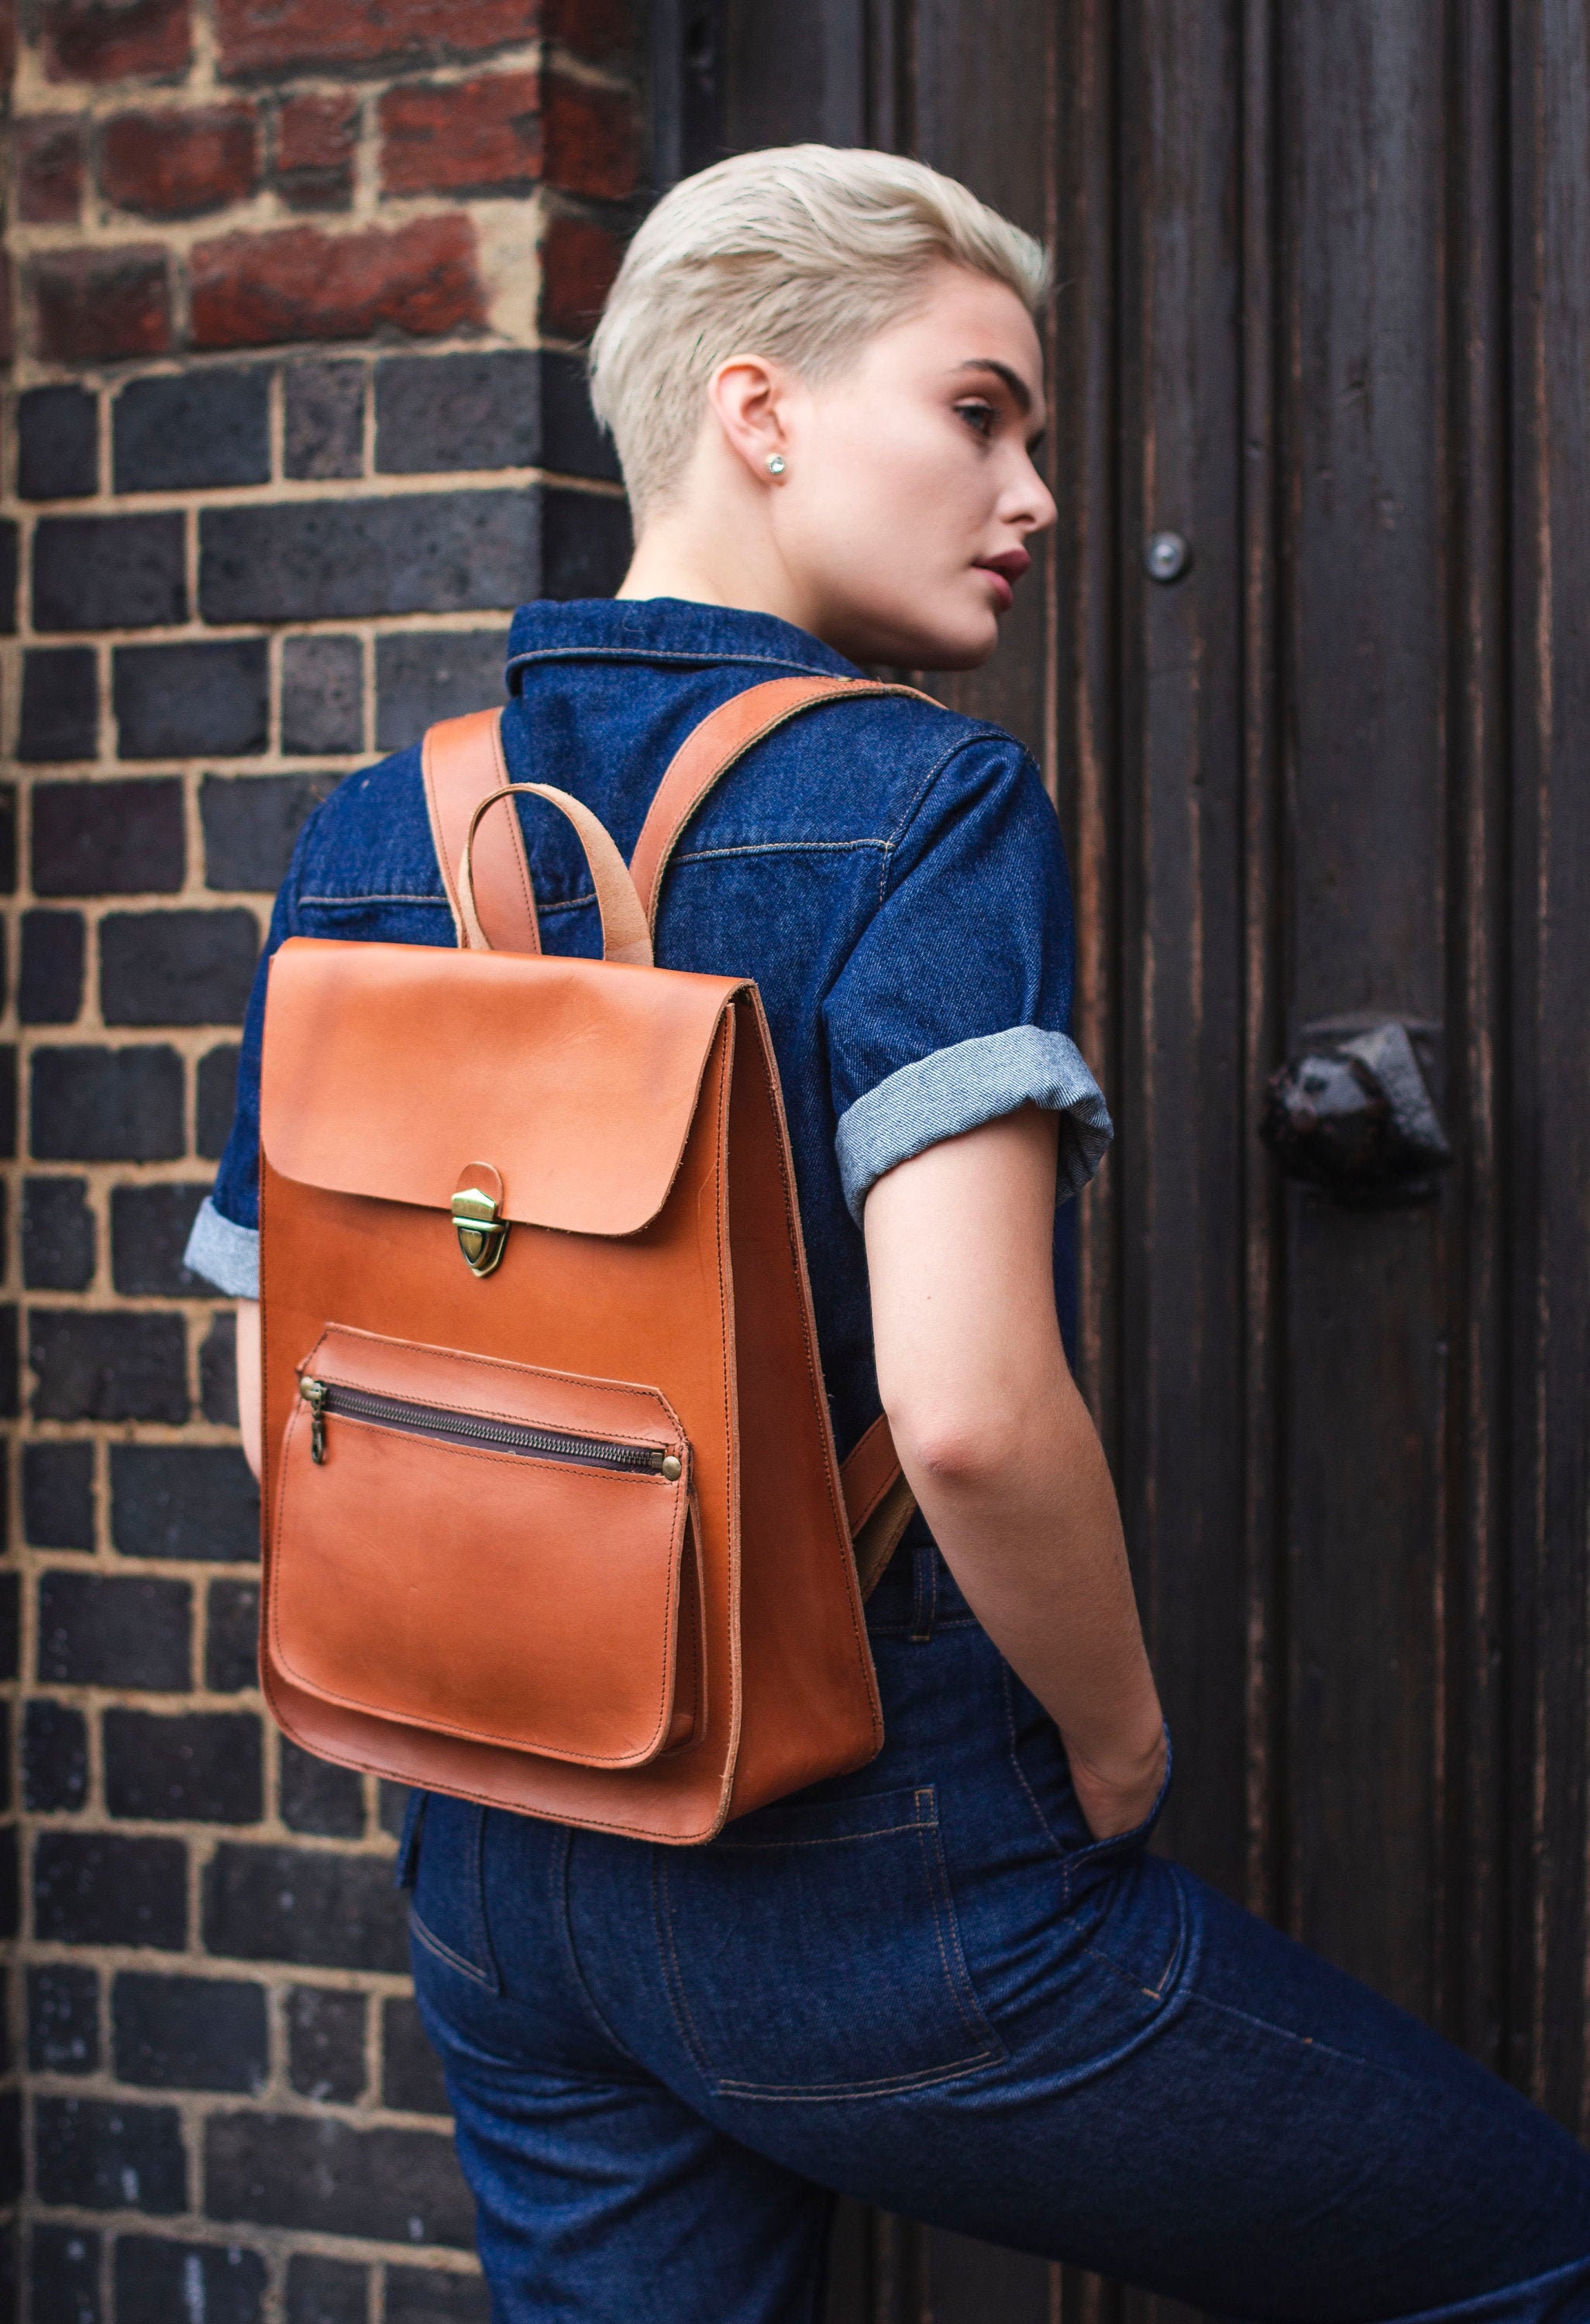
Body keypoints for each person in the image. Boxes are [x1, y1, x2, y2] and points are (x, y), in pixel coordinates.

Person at [187, 146, 1590, 2322]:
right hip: (881, 1873)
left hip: (490, 1863)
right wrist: (1114, 1750)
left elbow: (263, 1391)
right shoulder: (924, 798)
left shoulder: (373, 825)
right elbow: (959, 1411)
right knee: (1528, 2251)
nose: (1029, 489)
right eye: (977, 410)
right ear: (759, 412)